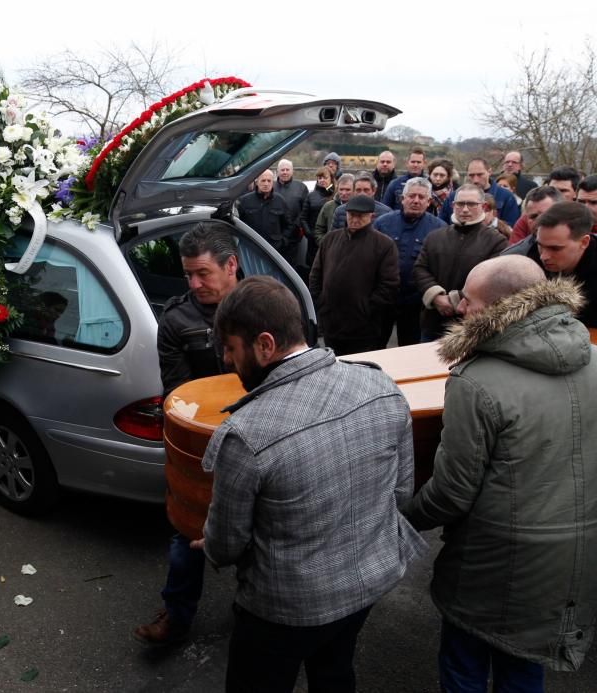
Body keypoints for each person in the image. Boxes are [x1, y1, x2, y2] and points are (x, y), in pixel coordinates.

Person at [200, 275, 426, 693]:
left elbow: (227, 543)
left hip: (284, 605)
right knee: (335, 671)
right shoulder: (379, 384)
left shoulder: (246, 434)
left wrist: (210, 546)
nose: (228, 362)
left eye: (230, 349)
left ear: (265, 345)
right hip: (368, 583)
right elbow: (399, 492)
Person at [403, 255, 597, 691]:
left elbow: (452, 493)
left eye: (468, 301)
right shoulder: (594, 358)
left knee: (465, 664)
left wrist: (399, 518)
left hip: (493, 558)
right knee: (525, 663)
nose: (460, 309)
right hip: (573, 553)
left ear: (497, 308)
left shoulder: (476, 381)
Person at [134, 222, 239, 646]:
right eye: (188, 276)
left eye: (203, 274)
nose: (194, 284)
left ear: (231, 265)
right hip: (202, 442)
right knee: (187, 530)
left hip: (263, 437)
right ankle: (177, 614)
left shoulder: (266, 304)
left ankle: (254, 607)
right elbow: (179, 394)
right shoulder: (178, 319)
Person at [413, 184, 508, 340]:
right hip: (432, 322)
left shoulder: (497, 241)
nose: (465, 209)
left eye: (471, 204)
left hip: (470, 326)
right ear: (453, 206)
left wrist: (454, 299)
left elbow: (491, 281)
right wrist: (436, 296)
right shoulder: (435, 237)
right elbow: (420, 269)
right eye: (460, 204)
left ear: (483, 206)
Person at [309, 195, 399, 355]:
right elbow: (316, 274)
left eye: (361, 216)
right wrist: (322, 303)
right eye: (352, 215)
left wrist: (367, 309)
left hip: (364, 328)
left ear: (371, 216)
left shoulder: (384, 244)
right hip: (332, 323)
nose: (355, 219)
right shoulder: (330, 239)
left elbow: (389, 285)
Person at [373, 177, 447, 346]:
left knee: (409, 349)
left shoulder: (440, 229)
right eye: (412, 196)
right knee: (375, 347)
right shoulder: (383, 223)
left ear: (429, 202)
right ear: (402, 199)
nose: (416, 201)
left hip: (416, 304)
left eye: (421, 197)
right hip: (384, 300)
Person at [504, 202, 597, 326]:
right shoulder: (527, 260)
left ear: (584, 242)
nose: (544, 256)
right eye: (540, 245)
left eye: (555, 248)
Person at [438, 158, 520, 226]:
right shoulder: (453, 196)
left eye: (480, 175)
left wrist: (495, 223)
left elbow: (512, 227)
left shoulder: (506, 197)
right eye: (471, 175)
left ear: (489, 172)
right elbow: (442, 224)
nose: (476, 180)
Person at [236, 169, 294, 263]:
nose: (266, 184)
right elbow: (237, 224)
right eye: (263, 180)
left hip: (275, 251)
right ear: (257, 182)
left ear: (273, 182)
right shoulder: (244, 201)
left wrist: (283, 241)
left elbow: (289, 225)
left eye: (269, 180)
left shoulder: (280, 201)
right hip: (251, 250)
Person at [302, 167, 334, 267]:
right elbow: (303, 217)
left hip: (332, 238)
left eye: (325, 177)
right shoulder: (311, 196)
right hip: (314, 239)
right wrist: (309, 233)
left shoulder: (336, 195)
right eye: (319, 178)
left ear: (331, 179)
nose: (322, 180)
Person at [313, 173, 353, 245]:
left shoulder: (360, 208)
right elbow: (319, 230)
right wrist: (326, 245)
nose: (344, 193)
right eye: (341, 189)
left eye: (348, 190)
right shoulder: (328, 206)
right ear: (337, 189)